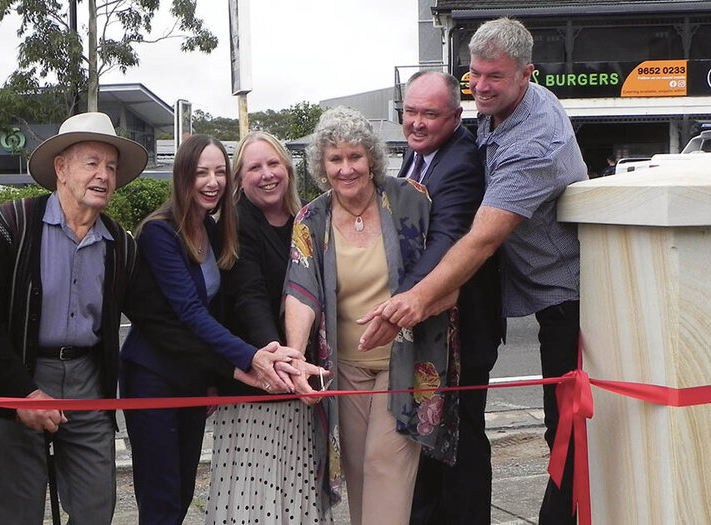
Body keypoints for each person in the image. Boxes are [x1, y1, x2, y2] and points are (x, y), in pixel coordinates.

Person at [361, 18, 588, 525]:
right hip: (522, 284)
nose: (482, 87)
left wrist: (414, 302)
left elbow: (480, 238)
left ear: (527, 75)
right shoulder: (492, 109)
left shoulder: (536, 142)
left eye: (496, 77)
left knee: (566, 428)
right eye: (475, 75)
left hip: (564, 295)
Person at [0, 111, 147, 524]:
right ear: (61, 169)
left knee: (95, 506)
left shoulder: (120, 244)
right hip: (13, 379)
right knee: (14, 513)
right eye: (92, 163)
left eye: (112, 167)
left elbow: (157, 319)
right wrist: (23, 393)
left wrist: (237, 360)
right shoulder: (11, 224)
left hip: (87, 383)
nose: (103, 175)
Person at [119, 134, 309, 525]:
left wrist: (213, 379)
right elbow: (189, 312)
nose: (212, 182)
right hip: (153, 378)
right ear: (182, 177)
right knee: (161, 497)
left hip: (191, 377)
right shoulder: (160, 232)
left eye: (220, 171)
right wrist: (250, 357)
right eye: (201, 172)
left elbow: (223, 308)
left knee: (184, 492)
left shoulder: (213, 227)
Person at [284, 106, 460, 525]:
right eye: (335, 159)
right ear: (321, 166)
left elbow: (447, 268)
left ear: (372, 159)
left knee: (386, 467)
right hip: (344, 368)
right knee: (361, 475)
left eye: (355, 156)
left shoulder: (411, 200)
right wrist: (294, 355)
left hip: (405, 364)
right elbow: (301, 289)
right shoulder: (312, 217)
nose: (346, 168)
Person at [388, 71, 505, 525]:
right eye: (410, 112)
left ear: (457, 117)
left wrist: (400, 302)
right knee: (429, 441)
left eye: (429, 114)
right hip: (432, 332)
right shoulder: (417, 155)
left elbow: (446, 241)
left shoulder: (460, 162)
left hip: (463, 333)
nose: (416, 123)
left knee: (462, 445)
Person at [206, 131, 332, 524]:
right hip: (259, 377)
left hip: (299, 377)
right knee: (255, 495)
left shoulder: (307, 220)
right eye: (254, 167)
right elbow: (249, 295)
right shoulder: (238, 222)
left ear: (288, 169)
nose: (266, 174)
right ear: (239, 179)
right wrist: (278, 357)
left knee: (295, 487)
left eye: (273, 163)